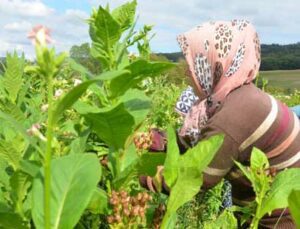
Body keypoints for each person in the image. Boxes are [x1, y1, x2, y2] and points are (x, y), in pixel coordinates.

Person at [138, 20, 299, 228]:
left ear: (214, 64)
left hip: (282, 215)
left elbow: (198, 178)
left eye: (194, 64)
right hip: (268, 203)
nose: (188, 73)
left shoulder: (232, 116)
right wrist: (153, 139)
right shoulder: (237, 96)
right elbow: (199, 143)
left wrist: (135, 178)